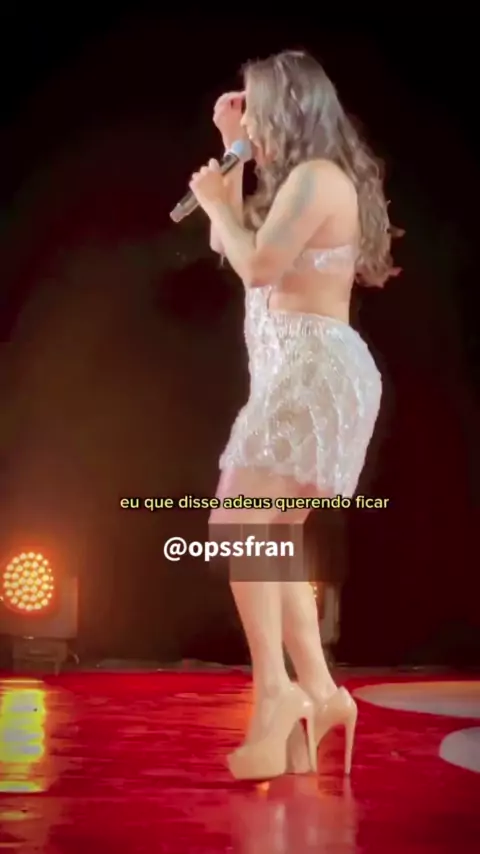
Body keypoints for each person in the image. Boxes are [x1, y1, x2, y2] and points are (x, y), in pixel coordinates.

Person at [188, 50, 399, 781]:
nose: (249, 119)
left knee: (240, 523)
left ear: (287, 107)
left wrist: (215, 198)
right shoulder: (301, 182)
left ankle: (276, 694)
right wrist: (229, 155)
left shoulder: (316, 179)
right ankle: (322, 693)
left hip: (315, 373)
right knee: (272, 538)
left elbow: (257, 266)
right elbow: (231, 243)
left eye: (253, 107)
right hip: (297, 373)